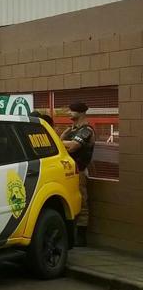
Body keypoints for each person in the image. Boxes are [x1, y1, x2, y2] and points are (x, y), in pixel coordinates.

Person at [61, 101, 95, 247]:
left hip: (79, 171)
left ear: (81, 112)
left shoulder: (86, 130)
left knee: (82, 202)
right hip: (68, 171)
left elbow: (74, 147)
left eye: (72, 111)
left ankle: (81, 236)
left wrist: (63, 143)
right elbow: (59, 142)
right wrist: (63, 139)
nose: (69, 113)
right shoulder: (71, 130)